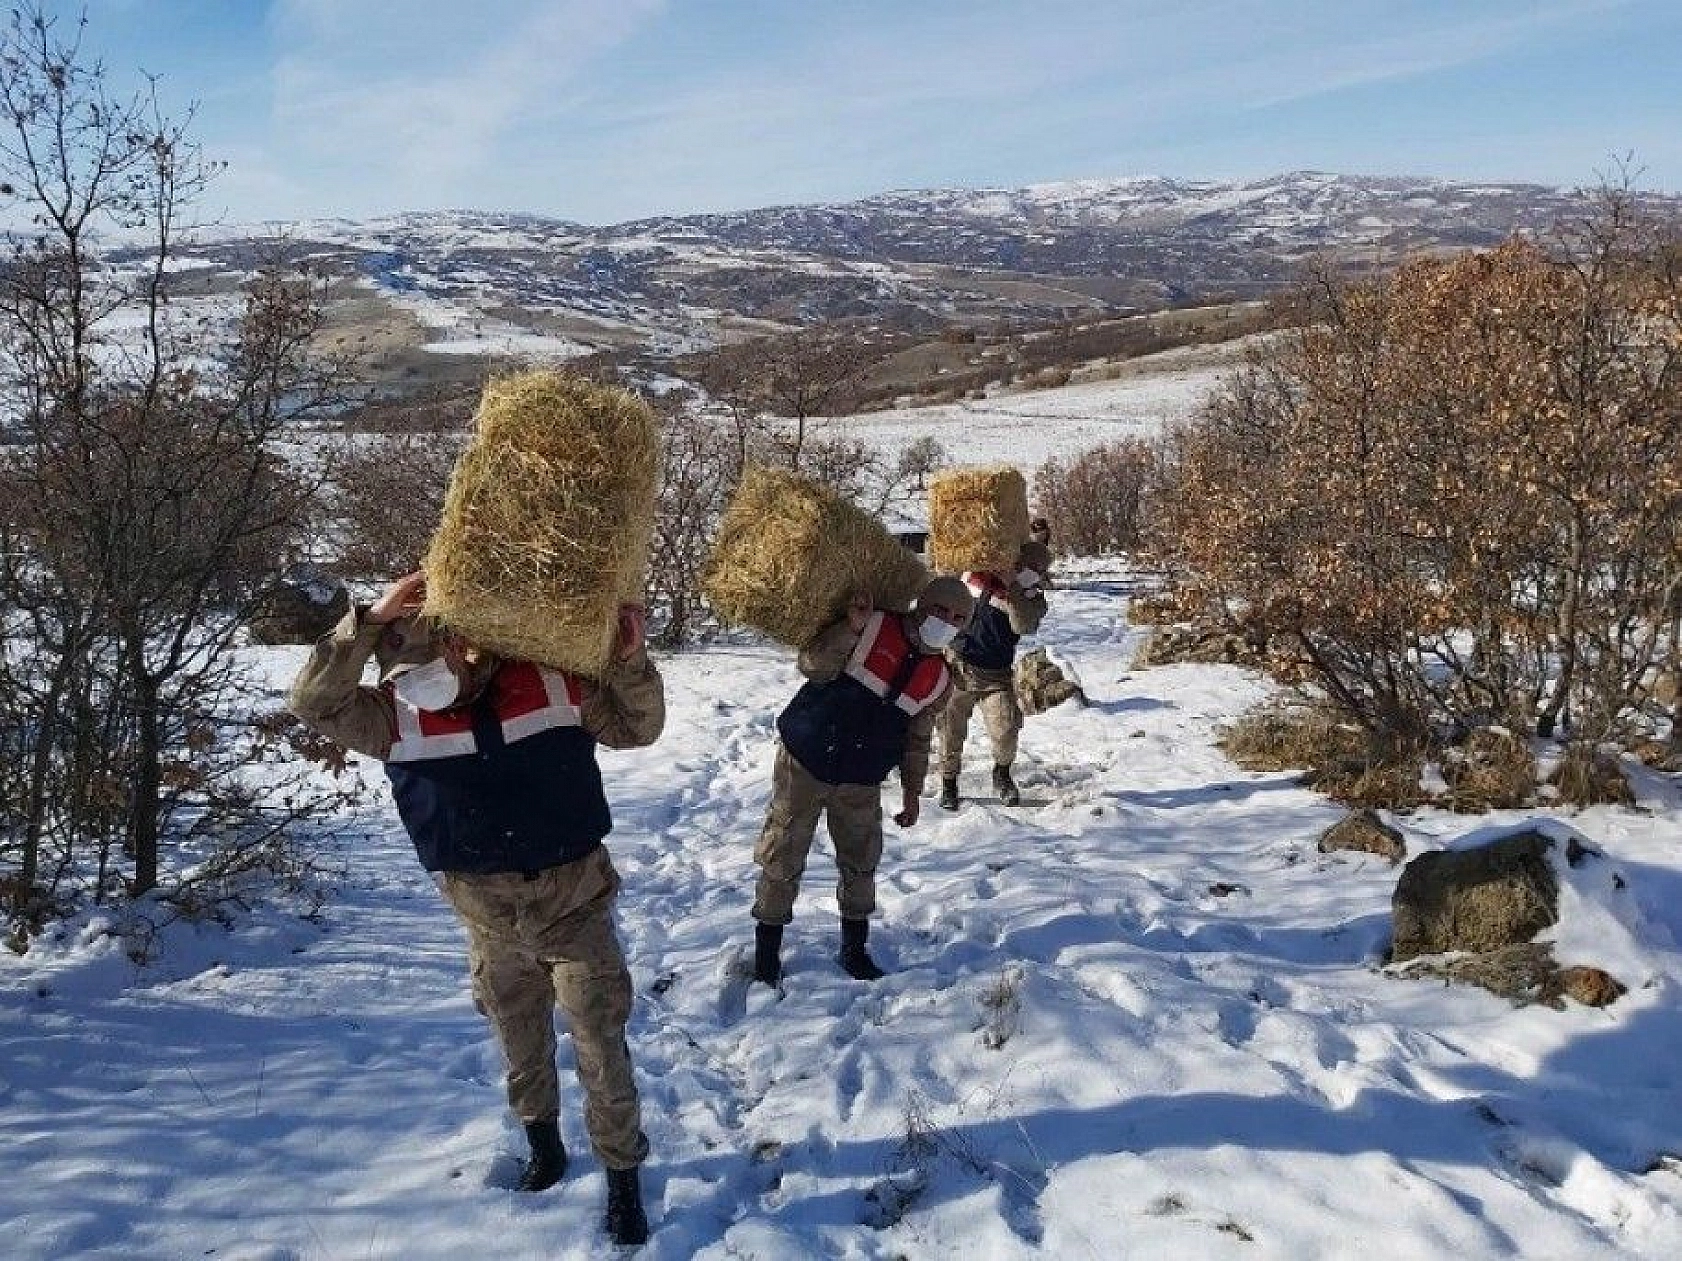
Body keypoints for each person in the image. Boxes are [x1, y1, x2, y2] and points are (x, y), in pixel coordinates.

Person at [288, 570, 661, 1247]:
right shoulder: (391, 714)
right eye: (415, 658)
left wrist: (628, 660)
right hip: (487, 917)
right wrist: (366, 621)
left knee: (600, 1043)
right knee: (519, 1040)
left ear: (473, 644)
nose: (437, 669)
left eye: (448, 650)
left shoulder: (549, 679)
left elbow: (641, 725)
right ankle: (544, 1146)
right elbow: (313, 701)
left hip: (572, 902)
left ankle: (623, 1176)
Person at [750, 575, 975, 986]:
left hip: (862, 778)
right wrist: (849, 629)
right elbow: (811, 665)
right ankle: (767, 953)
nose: (947, 621)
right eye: (941, 610)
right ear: (923, 605)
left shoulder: (940, 679)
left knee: (861, 862)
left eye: (958, 618)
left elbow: (917, 738)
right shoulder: (872, 625)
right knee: (782, 854)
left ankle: (854, 951)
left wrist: (912, 793)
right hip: (805, 758)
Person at [936, 541, 1052, 810]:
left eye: (1036, 570)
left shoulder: (1033, 598)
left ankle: (1001, 773)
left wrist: (1015, 588)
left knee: (1006, 729)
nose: (1030, 571)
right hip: (958, 666)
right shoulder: (975, 574)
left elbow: (1023, 625)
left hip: (995, 675)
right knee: (949, 731)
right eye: (1027, 565)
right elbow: (944, 575)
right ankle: (948, 782)